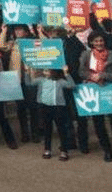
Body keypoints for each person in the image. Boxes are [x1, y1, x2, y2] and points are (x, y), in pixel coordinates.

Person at [25, 66, 75, 161]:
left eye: (48, 70)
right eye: (44, 70)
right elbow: (29, 83)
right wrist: (27, 72)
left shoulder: (60, 81)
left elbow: (71, 85)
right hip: (44, 107)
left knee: (61, 128)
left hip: (58, 107)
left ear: (54, 71)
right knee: (47, 128)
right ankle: (47, 149)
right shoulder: (41, 80)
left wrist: (66, 73)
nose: (45, 72)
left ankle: (64, 151)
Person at [78, 32, 112, 162]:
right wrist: (91, 77)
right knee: (98, 124)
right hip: (93, 92)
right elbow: (81, 71)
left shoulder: (111, 54)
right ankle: (107, 150)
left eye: (101, 41)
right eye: (96, 41)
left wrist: (102, 76)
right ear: (91, 42)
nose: (99, 43)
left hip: (108, 90)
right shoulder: (86, 55)